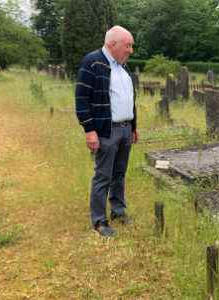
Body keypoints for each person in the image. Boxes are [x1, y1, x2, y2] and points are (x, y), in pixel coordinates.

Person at [75, 25, 138, 237]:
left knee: (119, 174)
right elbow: (82, 99)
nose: (131, 50)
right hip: (106, 131)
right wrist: (89, 130)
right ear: (113, 44)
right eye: (128, 45)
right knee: (103, 176)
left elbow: (129, 99)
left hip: (125, 129)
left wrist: (134, 127)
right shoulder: (92, 62)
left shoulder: (123, 68)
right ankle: (99, 220)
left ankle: (118, 211)